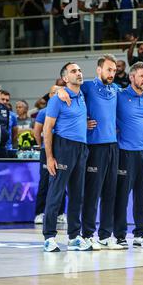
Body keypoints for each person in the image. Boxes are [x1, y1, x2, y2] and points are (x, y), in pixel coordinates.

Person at [57, 54, 123, 250]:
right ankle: (86, 235)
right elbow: (67, 90)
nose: (112, 73)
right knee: (92, 194)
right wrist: (59, 90)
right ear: (99, 70)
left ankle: (104, 236)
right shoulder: (87, 87)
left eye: (114, 70)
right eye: (108, 69)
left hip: (113, 147)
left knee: (110, 193)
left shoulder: (116, 89)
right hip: (94, 147)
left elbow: (136, 91)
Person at [42, 62, 90, 252]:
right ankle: (49, 237)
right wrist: (49, 157)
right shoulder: (57, 99)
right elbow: (47, 129)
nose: (78, 73)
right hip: (64, 147)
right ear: (65, 78)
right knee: (56, 193)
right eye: (73, 71)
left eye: (79, 70)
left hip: (81, 148)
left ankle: (74, 237)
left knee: (77, 195)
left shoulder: (82, 94)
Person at [113, 61, 143, 249]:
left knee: (141, 195)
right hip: (126, 152)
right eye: (141, 76)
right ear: (131, 77)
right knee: (122, 196)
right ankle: (120, 235)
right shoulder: (120, 95)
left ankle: (140, 233)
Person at [33, 85, 67, 225]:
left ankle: (60, 213)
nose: (57, 94)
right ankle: (40, 212)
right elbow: (37, 131)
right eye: (54, 92)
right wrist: (42, 146)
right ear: (50, 95)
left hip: (62, 150)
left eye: (59, 92)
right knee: (45, 181)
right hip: (47, 150)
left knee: (61, 181)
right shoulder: (43, 111)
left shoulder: (65, 109)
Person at [0, 90, 18, 156]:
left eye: (7, 100)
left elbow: (15, 132)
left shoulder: (12, 115)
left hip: (7, 147)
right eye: (3, 99)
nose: (5, 101)